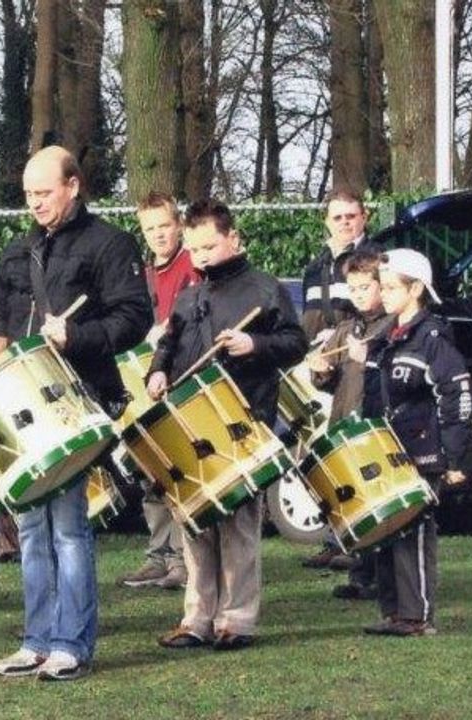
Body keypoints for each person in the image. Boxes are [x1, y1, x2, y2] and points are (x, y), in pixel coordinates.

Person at [0, 146, 149, 681]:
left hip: (80, 397)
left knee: (69, 527)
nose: (34, 203)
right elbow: (4, 324)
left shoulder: (111, 244)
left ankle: (71, 644)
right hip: (26, 403)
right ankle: (37, 640)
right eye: (28, 194)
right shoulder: (17, 251)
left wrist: (76, 334)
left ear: (73, 186)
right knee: (32, 525)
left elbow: (134, 318)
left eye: (44, 192)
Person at [147, 199, 306, 652]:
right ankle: (197, 618)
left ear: (233, 238)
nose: (201, 256)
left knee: (237, 526)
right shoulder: (188, 296)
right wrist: (157, 371)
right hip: (191, 425)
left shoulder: (264, 288)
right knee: (195, 524)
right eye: (194, 248)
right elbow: (169, 344)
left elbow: (296, 343)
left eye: (210, 247)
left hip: (244, 419)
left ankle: (236, 619)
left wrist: (252, 342)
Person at [361, 249, 471, 637]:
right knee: (387, 532)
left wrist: (451, 453)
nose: (383, 293)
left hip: (423, 449)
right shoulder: (384, 336)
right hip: (388, 449)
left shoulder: (434, 338)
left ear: (417, 289)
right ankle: (393, 611)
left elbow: (456, 395)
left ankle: (417, 615)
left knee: (414, 531)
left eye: (392, 287)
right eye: (383, 285)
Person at [116, 191, 198, 591]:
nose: (158, 234)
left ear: (178, 224)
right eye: (150, 228)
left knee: (177, 468)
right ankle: (158, 555)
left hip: (179, 377)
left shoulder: (191, 265)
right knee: (150, 469)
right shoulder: (145, 272)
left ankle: (183, 559)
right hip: (143, 380)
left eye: (164, 225)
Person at [307, 249, 395, 601]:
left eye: (365, 287)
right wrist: (320, 370)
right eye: (352, 288)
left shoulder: (391, 326)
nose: (358, 295)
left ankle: (381, 576)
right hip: (344, 423)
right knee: (355, 499)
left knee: (379, 502)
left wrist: (369, 357)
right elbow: (327, 381)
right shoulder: (347, 328)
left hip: (374, 425)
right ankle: (361, 573)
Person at [299, 191, 381, 570]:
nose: (346, 222)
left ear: (364, 218)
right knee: (332, 454)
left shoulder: (375, 258)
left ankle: (360, 546)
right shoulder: (315, 266)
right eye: (338, 217)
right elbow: (311, 316)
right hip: (326, 362)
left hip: (360, 357)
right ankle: (337, 537)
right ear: (326, 221)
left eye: (352, 216)